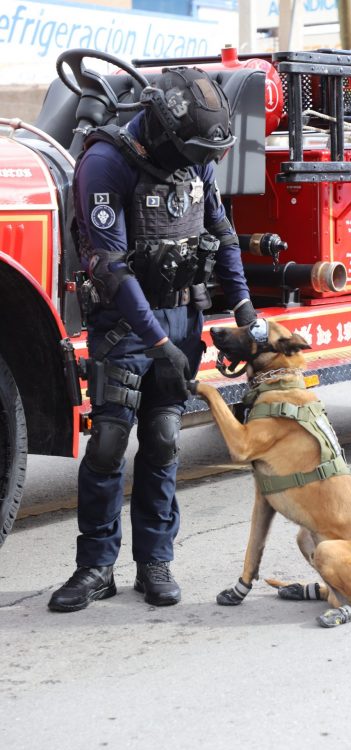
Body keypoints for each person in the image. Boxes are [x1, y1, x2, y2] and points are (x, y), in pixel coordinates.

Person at [48, 66, 256, 612]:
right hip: (125, 327)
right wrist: (157, 343)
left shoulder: (194, 158)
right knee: (108, 443)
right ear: (163, 130)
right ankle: (95, 568)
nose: (200, 162)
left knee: (164, 439)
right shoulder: (106, 162)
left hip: (182, 321)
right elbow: (111, 267)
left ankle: (154, 562)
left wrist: (242, 306)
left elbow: (221, 233)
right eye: (193, 152)